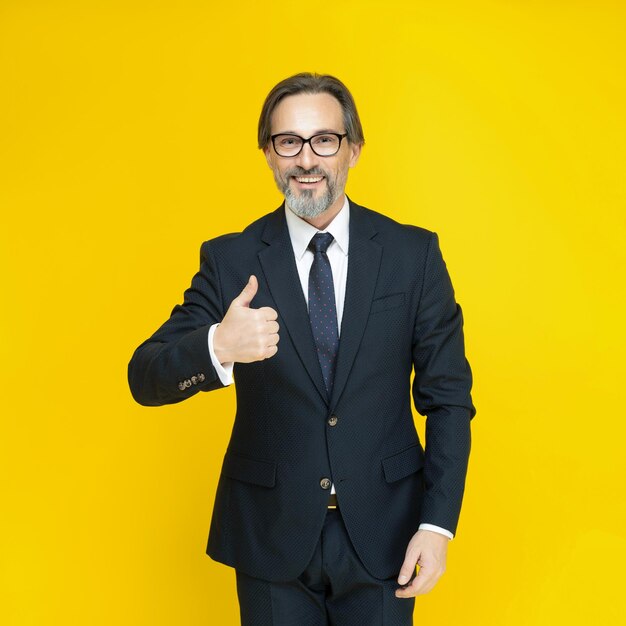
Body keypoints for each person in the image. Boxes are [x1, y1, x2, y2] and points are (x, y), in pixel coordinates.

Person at [128, 72, 476, 625]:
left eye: (324, 140)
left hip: (386, 533)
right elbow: (144, 376)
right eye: (288, 141)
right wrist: (219, 345)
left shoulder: (414, 255)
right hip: (271, 538)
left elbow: (449, 398)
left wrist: (436, 527)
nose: (306, 158)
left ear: (353, 149)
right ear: (268, 154)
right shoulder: (231, 259)